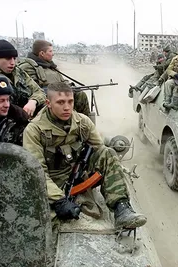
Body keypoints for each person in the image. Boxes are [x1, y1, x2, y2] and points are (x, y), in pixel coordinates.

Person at [23, 82, 147, 229]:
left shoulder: (82, 122)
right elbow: (37, 172)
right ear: (48, 103)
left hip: (79, 172)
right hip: (53, 181)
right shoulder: (34, 130)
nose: (67, 107)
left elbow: (99, 150)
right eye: (60, 102)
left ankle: (121, 209)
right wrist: (59, 200)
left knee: (108, 153)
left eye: (70, 102)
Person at [18, 40, 90, 116]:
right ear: (42, 53)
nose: (53, 54)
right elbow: (33, 89)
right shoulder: (28, 67)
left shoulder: (50, 66)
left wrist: (70, 87)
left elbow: (62, 81)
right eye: (50, 51)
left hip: (59, 95)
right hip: (45, 100)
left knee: (80, 95)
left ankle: (83, 124)